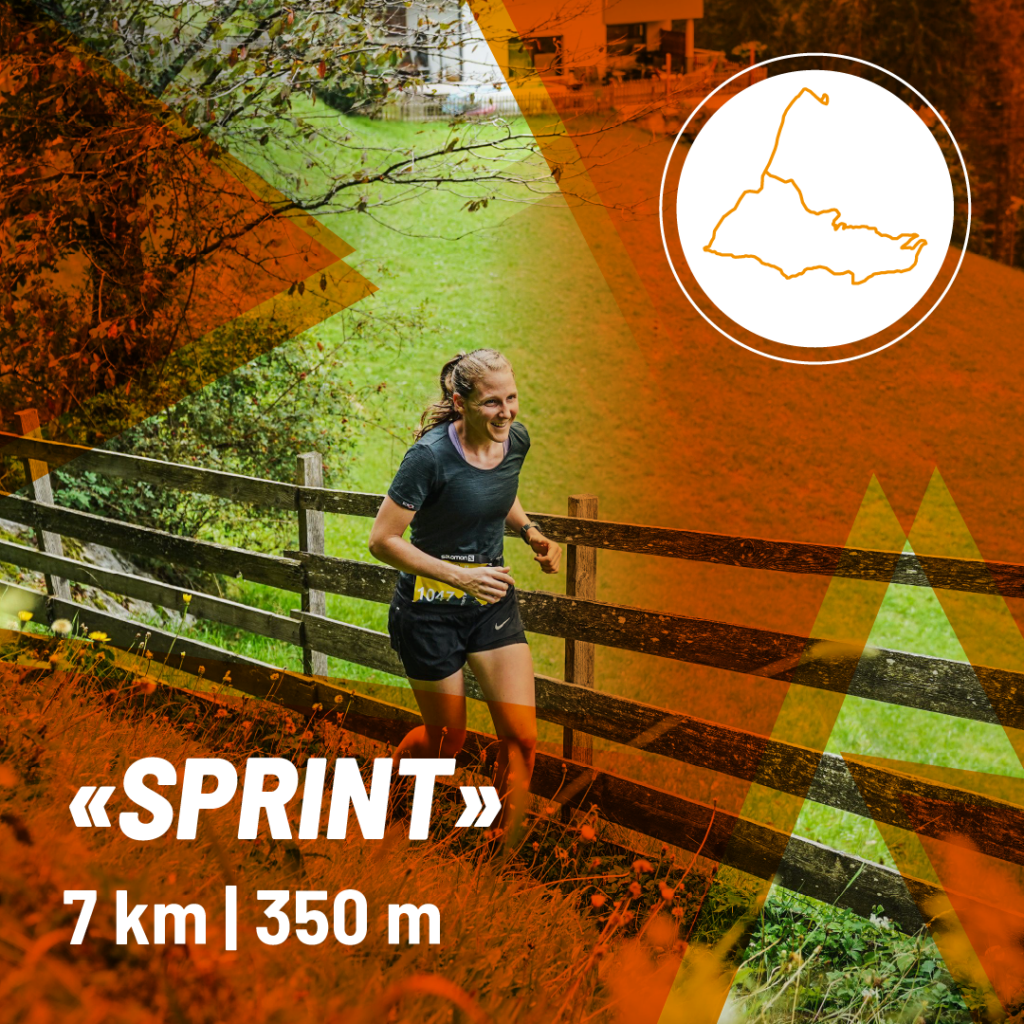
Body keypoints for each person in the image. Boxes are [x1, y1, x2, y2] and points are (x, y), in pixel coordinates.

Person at [368, 348, 561, 833]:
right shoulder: (429, 456)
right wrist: (460, 575)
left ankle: (498, 863)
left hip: (490, 604)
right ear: (460, 403)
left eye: (511, 398)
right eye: (492, 402)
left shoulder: (515, 439)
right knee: (447, 741)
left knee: (521, 739)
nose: (507, 411)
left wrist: (529, 530)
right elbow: (382, 541)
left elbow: (501, 486)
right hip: (428, 611)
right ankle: (388, 791)